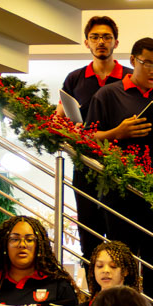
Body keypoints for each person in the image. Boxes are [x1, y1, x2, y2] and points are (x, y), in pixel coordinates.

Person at [86, 37, 153, 302]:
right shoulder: (107, 95)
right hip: (121, 198)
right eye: (148, 63)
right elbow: (85, 140)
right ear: (132, 61)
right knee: (122, 266)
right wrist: (117, 133)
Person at [56, 16, 131, 263]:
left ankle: (125, 300)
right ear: (87, 42)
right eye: (96, 37)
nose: (101, 42)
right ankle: (95, 299)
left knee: (123, 241)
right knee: (89, 238)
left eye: (107, 37)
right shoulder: (74, 78)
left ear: (116, 42)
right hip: (84, 166)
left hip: (121, 168)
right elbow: (59, 117)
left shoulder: (129, 78)